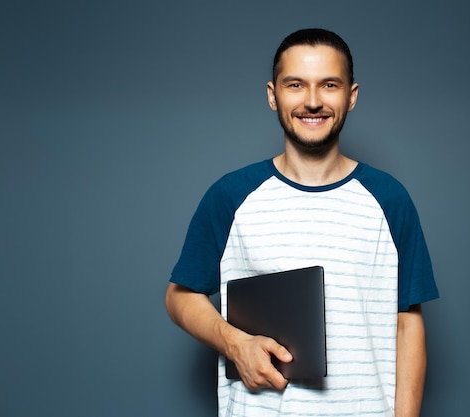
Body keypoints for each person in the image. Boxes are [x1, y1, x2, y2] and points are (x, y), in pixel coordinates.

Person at [166, 28, 439, 417]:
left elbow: (407, 324)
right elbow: (179, 297)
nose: (313, 101)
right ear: (273, 95)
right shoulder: (230, 196)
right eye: (295, 85)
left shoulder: (390, 199)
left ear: (351, 96)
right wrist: (234, 344)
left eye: (329, 85)